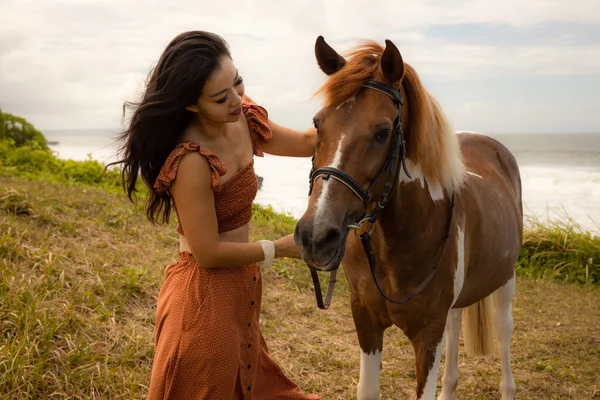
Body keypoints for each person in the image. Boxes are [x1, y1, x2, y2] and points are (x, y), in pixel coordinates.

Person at [111, 31, 320, 399]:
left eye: (237, 82)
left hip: (241, 289)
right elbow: (206, 253)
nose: (237, 100)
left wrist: (356, 109)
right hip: (202, 301)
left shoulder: (241, 116)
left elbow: (305, 144)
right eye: (221, 97)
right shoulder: (192, 159)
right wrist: (278, 248)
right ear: (191, 105)